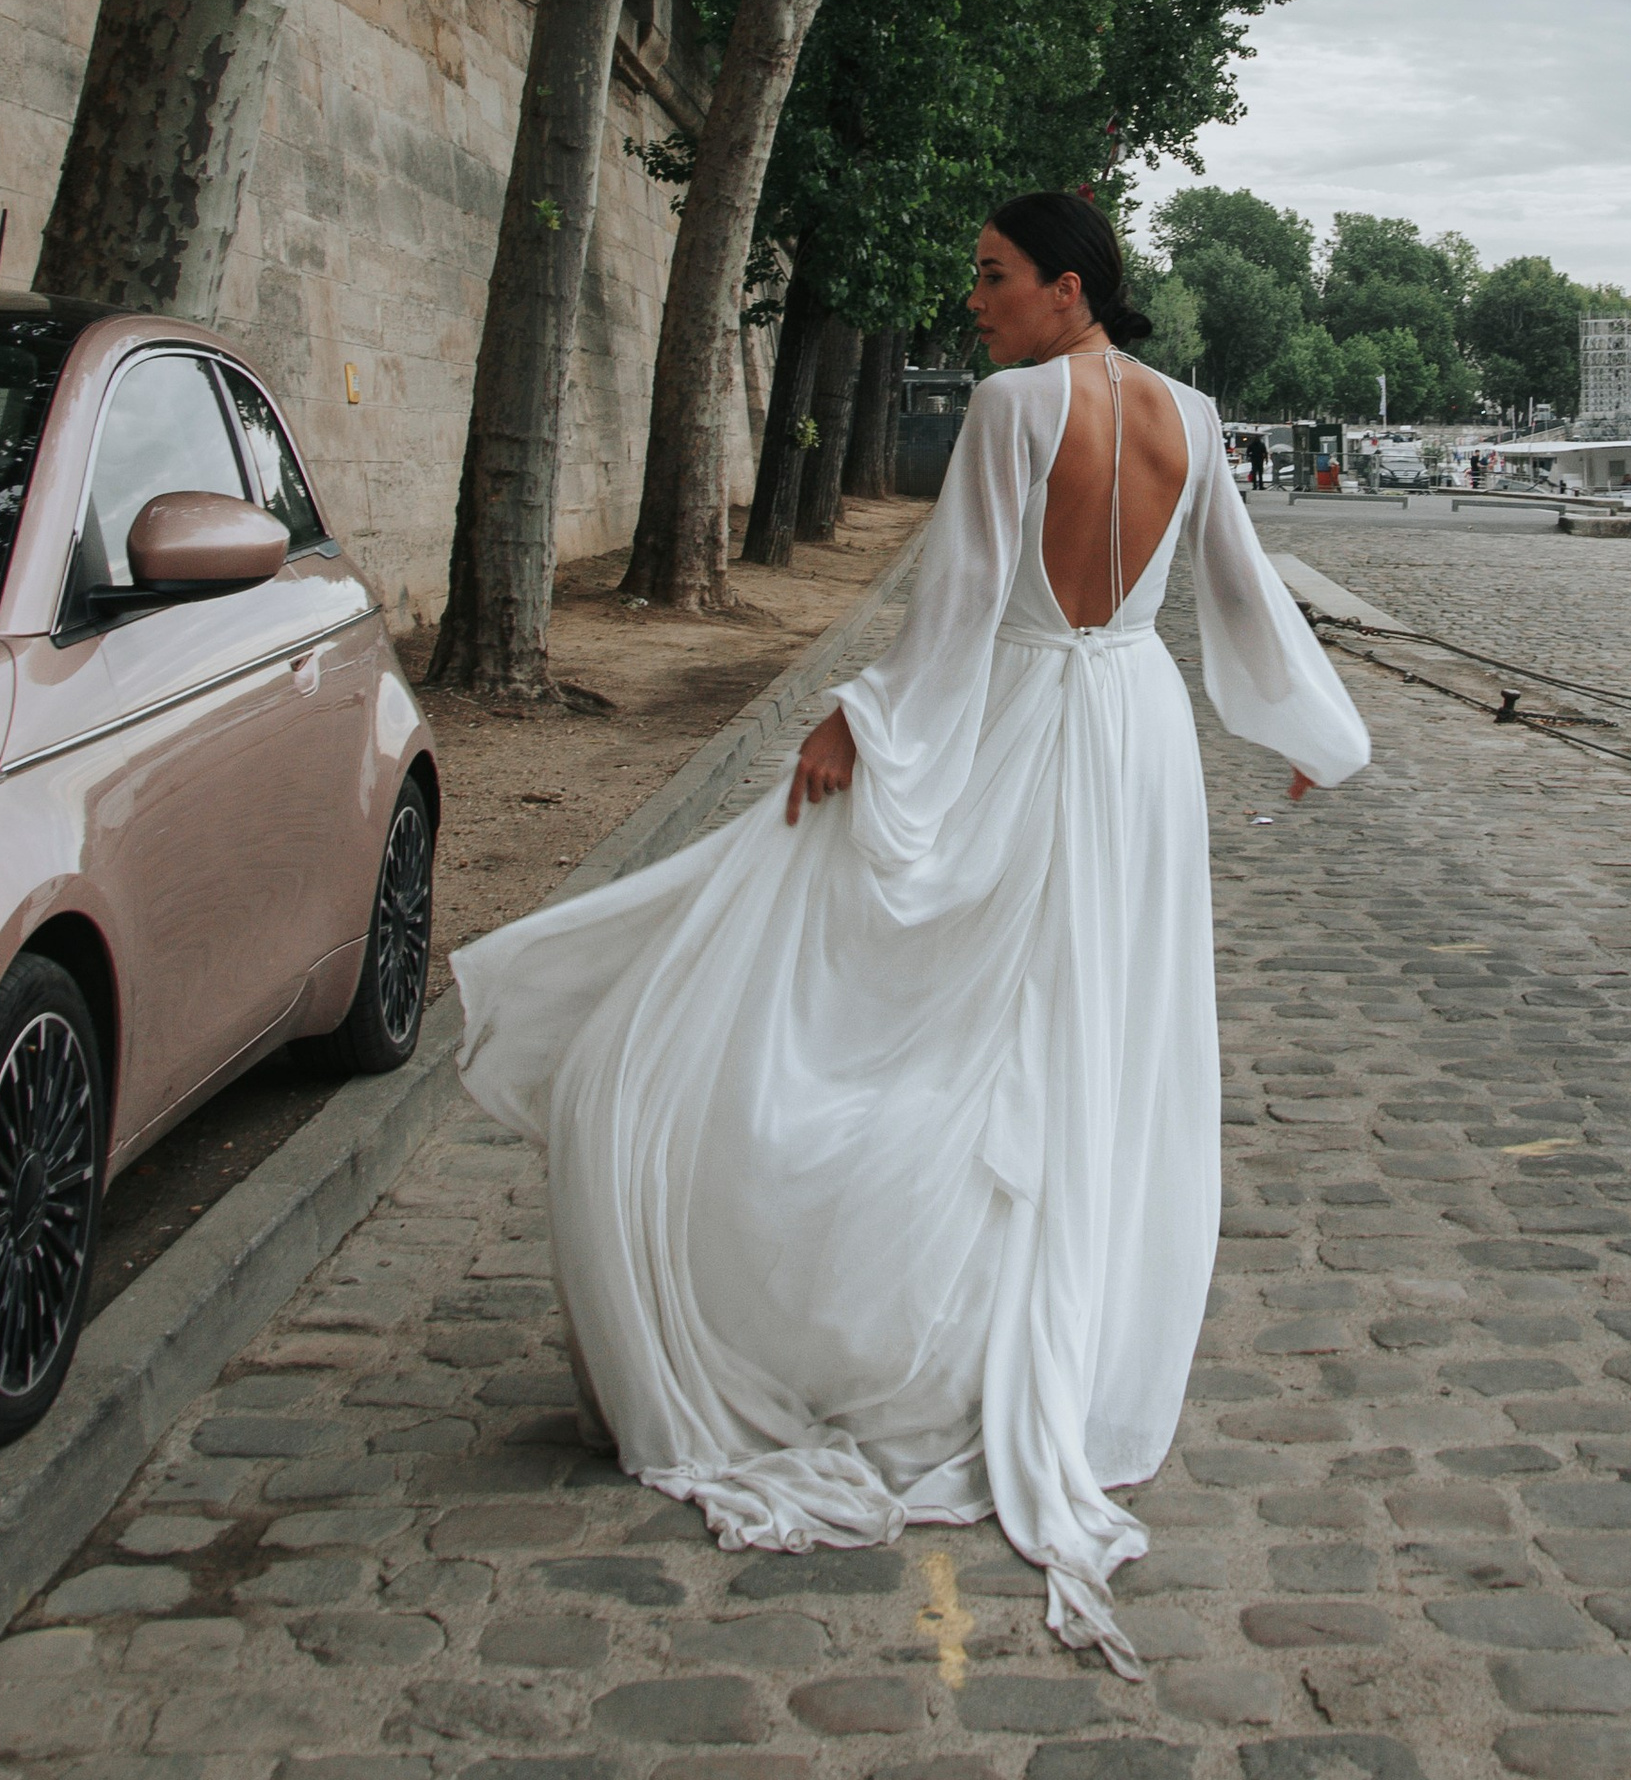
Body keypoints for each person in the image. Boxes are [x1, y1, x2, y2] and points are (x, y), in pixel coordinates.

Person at [453, 189, 1370, 1676]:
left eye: (997, 276)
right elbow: (1240, 597)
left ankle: (926, 1329)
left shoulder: (1015, 412)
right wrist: (1315, 730)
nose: (976, 299)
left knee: (976, 1012)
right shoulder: (1194, 416)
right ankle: (1054, 1327)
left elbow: (952, 618)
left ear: (1070, 290)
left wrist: (854, 723)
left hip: (1024, 716)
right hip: (1134, 737)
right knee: (1094, 1031)